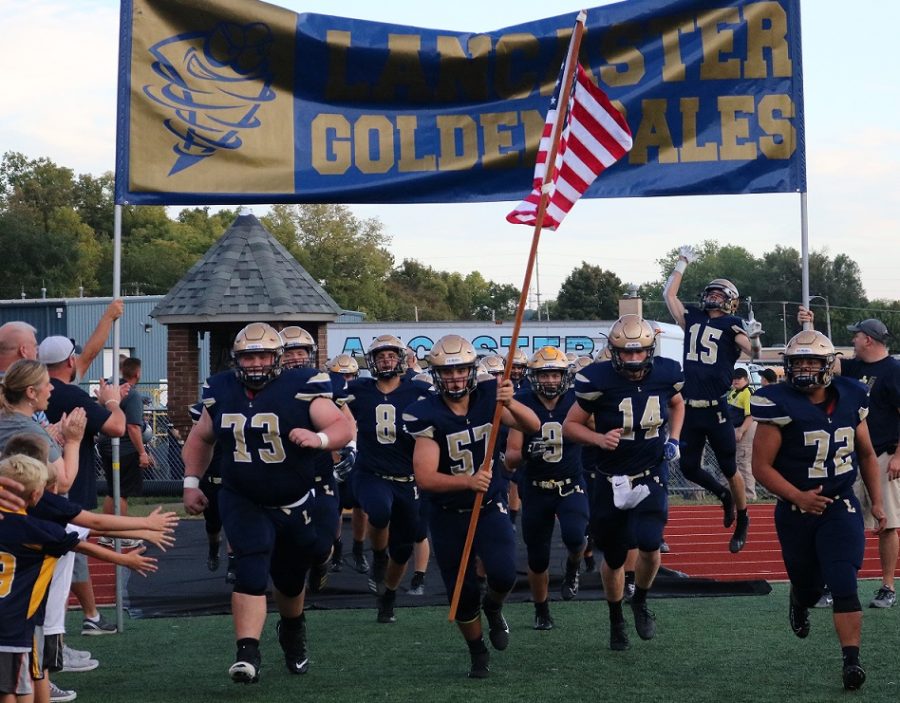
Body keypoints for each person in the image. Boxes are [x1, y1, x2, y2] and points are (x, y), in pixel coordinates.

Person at [182, 322, 352, 684]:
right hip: (242, 496)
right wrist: (191, 482)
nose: (256, 363)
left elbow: (341, 426)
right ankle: (247, 652)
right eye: (248, 356)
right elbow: (200, 439)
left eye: (262, 355)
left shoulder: (303, 385)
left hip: (293, 500)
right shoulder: (221, 389)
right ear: (236, 359)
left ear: (276, 358)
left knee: (290, 582)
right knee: (251, 564)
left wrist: (319, 438)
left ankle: (293, 629)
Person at [751, 329, 885, 691]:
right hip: (795, 511)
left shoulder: (852, 396)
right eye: (798, 362)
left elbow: (868, 453)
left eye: (812, 361)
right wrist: (798, 496)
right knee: (810, 589)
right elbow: (761, 467)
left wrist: (876, 500)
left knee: (843, 580)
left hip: (840, 503)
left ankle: (852, 662)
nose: (805, 368)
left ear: (828, 365)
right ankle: (799, 597)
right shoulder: (777, 403)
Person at [405, 334, 539, 678]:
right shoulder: (426, 413)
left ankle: (493, 607)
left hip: (489, 506)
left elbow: (533, 426)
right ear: (436, 375)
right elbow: (425, 476)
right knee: (461, 595)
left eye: (461, 370)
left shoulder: (490, 398)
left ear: (471, 370)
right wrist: (467, 481)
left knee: (504, 572)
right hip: (448, 513)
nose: (454, 378)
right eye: (447, 372)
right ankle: (478, 652)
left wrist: (510, 403)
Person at [563, 314, 684, 651]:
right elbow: (570, 426)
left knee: (649, 543)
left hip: (650, 473)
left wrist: (673, 438)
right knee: (615, 558)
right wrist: (597, 438)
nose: (633, 360)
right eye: (626, 353)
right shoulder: (596, 378)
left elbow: (677, 403)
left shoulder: (667, 372)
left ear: (650, 349)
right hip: (610, 478)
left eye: (640, 352)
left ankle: (640, 600)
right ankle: (616, 619)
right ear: (613, 351)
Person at [0, 453, 157, 703]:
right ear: (36, 496)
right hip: (17, 623)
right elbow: (84, 539)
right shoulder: (39, 530)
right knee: (19, 687)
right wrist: (126, 557)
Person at [798, 310, 900, 609]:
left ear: (868, 339)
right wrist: (809, 325)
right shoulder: (855, 366)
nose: (853, 340)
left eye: (856, 336)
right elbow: (825, 357)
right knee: (840, 521)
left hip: (882, 454)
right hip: (849, 457)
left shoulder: (893, 371)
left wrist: (898, 456)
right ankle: (836, 583)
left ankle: (887, 586)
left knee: (889, 523)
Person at [663, 246, 762, 553]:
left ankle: (743, 519)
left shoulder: (732, 325)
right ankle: (724, 496)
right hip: (690, 408)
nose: (714, 298)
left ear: (730, 301)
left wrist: (756, 337)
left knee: (730, 466)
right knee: (690, 468)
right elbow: (669, 296)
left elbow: (754, 352)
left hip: (716, 409)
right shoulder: (691, 318)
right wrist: (681, 263)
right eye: (712, 293)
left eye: (720, 295)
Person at [39, 335, 128, 638]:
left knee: (66, 563)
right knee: (62, 568)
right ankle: (54, 648)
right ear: (69, 361)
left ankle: (88, 618)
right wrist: (112, 402)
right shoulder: (66, 395)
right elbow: (116, 426)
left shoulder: (30, 393)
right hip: (64, 488)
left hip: (36, 490)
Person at [345, 335, 432, 622]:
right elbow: (330, 408)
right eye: (380, 356)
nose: (385, 360)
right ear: (371, 360)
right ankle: (378, 557)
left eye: (390, 355)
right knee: (379, 510)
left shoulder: (418, 389)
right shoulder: (358, 390)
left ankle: (389, 596)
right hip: (371, 472)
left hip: (407, 478)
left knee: (404, 549)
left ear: (400, 358)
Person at [505, 346, 587, 631]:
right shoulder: (523, 401)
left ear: (565, 376)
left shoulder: (578, 401)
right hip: (537, 487)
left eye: (555, 374)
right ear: (534, 376)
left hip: (570, 483)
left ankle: (573, 567)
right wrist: (529, 453)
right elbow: (511, 457)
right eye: (545, 374)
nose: (551, 380)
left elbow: (592, 431)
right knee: (537, 557)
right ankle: (541, 609)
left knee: (576, 537)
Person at [96, 357, 151, 519]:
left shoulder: (111, 392)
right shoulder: (132, 395)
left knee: (113, 492)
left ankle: (108, 532)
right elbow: (133, 427)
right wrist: (142, 453)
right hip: (124, 450)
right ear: (138, 373)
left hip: (107, 445)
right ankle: (120, 533)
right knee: (121, 493)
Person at [727, 368, 756, 501]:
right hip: (734, 428)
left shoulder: (747, 393)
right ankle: (737, 493)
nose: (736, 380)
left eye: (739, 378)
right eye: (734, 378)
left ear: (746, 379)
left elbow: (750, 416)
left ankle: (749, 495)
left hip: (745, 428)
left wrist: (741, 431)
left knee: (744, 462)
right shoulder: (733, 392)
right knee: (735, 462)